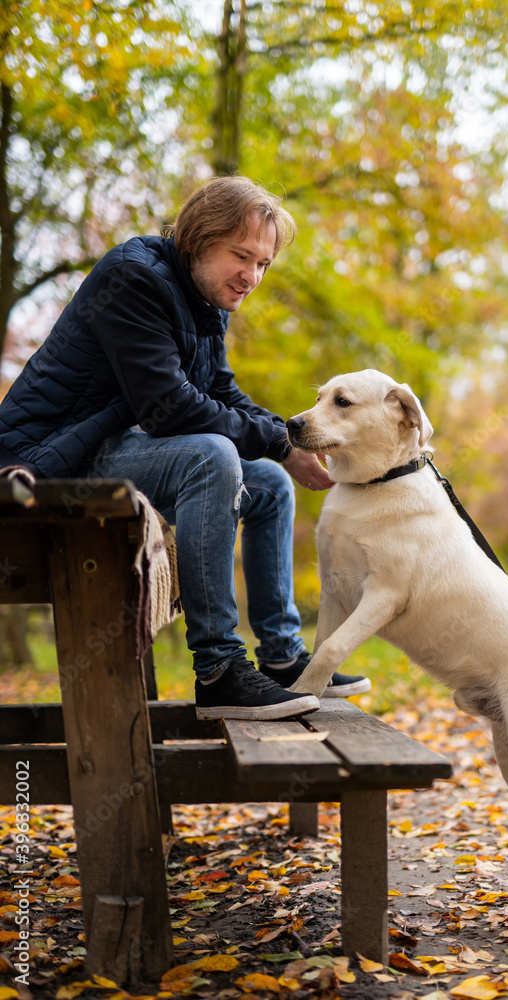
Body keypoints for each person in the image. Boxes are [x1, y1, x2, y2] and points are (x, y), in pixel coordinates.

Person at [0, 175, 370, 720]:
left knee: (267, 483)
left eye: (263, 264)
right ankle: (219, 670)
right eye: (241, 256)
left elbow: (218, 391)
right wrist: (273, 441)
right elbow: (168, 407)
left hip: (107, 447)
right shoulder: (135, 278)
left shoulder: (206, 299)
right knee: (210, 455)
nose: (252, 276)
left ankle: (282, 657)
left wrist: (286, 439)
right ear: (198, 239)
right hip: (49, 457)